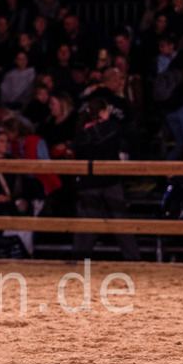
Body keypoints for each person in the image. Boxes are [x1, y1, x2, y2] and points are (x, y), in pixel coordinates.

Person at [71, 99, 141, 261]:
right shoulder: (113, 129)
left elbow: (78, 155)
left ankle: (77, 262)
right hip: (111, 182)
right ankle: (135, 261)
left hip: (89, 184)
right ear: (102, 112)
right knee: (121, 225)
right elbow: (129, 141)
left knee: (87, 227)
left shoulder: (82, 134)